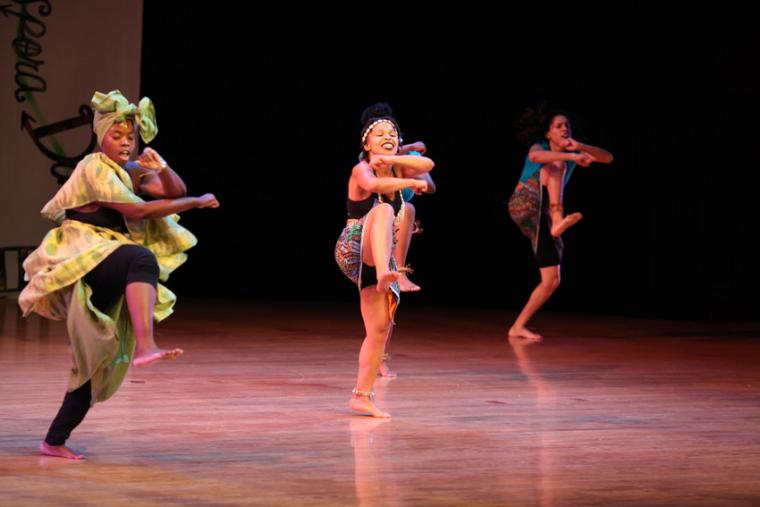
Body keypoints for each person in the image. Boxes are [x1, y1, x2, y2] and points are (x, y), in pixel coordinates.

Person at [19, 89, 220, 459]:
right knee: (140, 259)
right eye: (118, 135)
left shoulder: (126, 172)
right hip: (84, 258)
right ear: (102, 137)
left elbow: (173, 189)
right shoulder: (93, 168)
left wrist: (162, 167)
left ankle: (53, 441)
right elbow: (139, 211)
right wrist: (193, 204)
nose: (127, 142)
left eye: (131, 137)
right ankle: (146, 344)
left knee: (95, 361)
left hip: (106, 260)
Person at [335, 103, 433, 417]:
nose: (387, 136)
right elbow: (374, 186)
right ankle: (388, 273)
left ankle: (361, 396)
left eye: (392, 133)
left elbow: (428, 164)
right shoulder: (361, 169)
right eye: (379, 134)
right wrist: (408, 183)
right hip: (353, 246)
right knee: (386, 209)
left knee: (378, 330)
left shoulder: (397, 166)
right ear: (366, 144)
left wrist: (394, 158)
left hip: (378, 258)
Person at [507, 104, 613, 341]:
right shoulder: (541, 147)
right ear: (548, 133)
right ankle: (557, 222)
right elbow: (535, 157)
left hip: (540, 215)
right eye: (558, 126)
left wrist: (581, 146)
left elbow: (608, 158)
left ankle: (517, 327)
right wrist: (573, 156)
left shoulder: (572, 153)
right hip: (524, 202)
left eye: (567, 126)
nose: (565, 129)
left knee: (552, 279)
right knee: (557, 165)